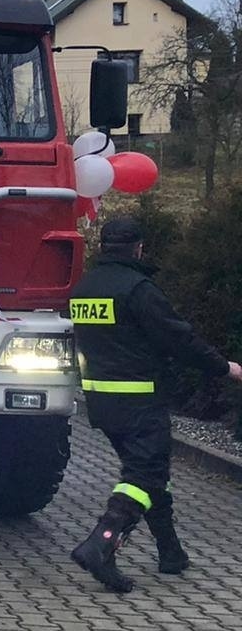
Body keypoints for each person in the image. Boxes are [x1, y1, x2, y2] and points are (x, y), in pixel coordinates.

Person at [68, 215, 242, 593]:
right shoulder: (139, 289)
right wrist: (224, 367)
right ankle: (100, 545)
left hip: (101, 401)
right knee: (143, 478)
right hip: (139, 400)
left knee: (150, 474)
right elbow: (178, 338)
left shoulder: (85, 288)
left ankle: (171, 552)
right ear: (138, 248)